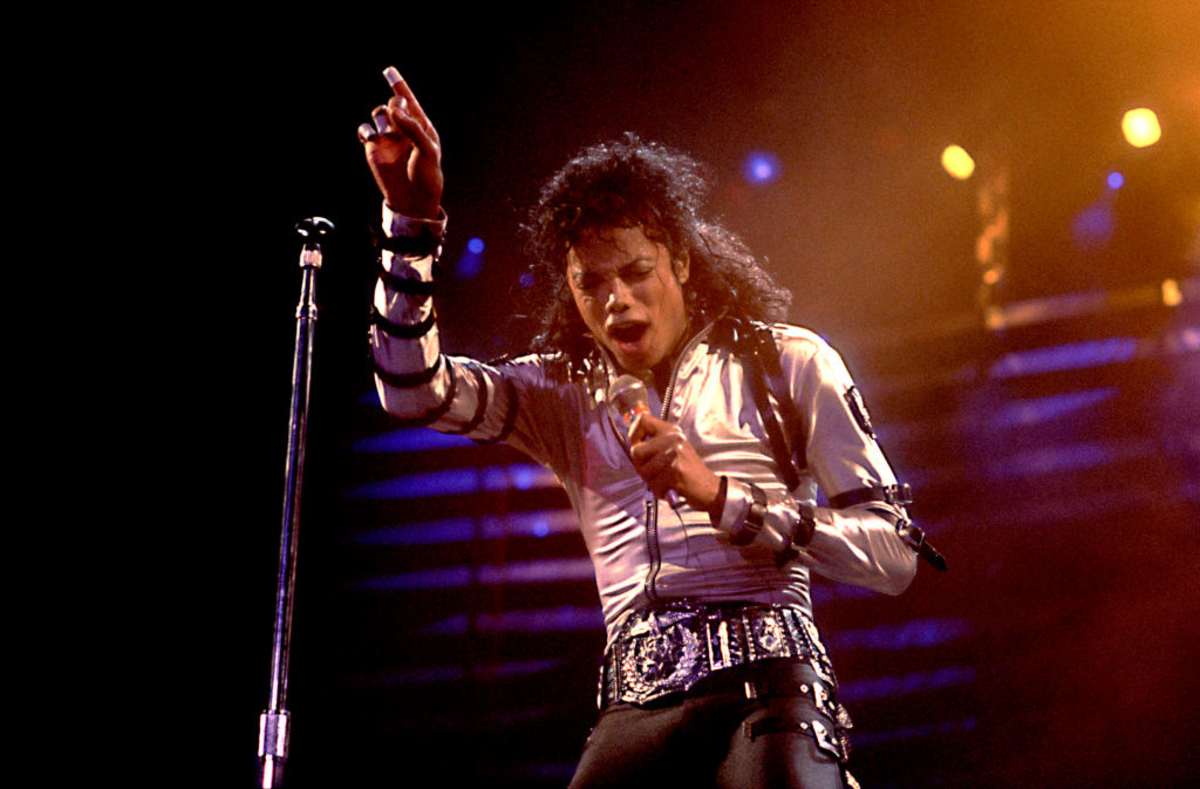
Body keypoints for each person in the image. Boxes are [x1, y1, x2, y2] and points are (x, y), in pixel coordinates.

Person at [359, 66, 924, 788]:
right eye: (591, 283)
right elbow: (412, 391)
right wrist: (411, 224)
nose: (616, 300)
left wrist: (724, 496)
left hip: (770, 688)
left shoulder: (788, 361)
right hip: (632, 707)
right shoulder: (557, 391)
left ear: (681, 262)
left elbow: (895, 555)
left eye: (636, 272)